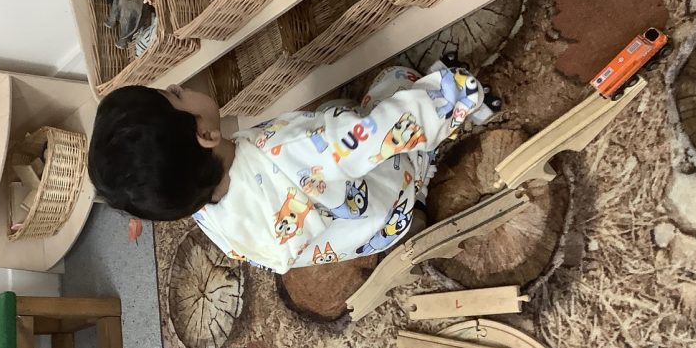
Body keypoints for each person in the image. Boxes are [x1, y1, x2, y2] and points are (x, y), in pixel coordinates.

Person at [89, 64, 489, 273]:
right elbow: (377, 135)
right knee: (396, 80)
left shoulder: (198, 202)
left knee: (338, 128)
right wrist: (454, 95)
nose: (180, 86)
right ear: (205, 135)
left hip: (360, 238)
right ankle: (420, 171)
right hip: (387, 197)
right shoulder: (286, 151)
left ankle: (409, 202)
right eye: (175, 94)